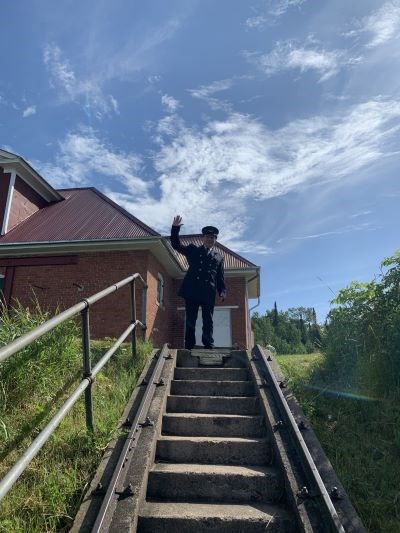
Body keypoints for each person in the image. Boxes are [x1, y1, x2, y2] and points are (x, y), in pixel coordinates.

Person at [171, 215, 227, 350]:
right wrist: (175, 228)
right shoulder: (193, 250)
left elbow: (220, 277)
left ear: (215, 240)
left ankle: (208, 345)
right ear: (203, 238)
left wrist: (223, 291)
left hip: (208, 292)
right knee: (191, 319)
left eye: (212, 237)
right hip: (192, 291)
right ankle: (189, 346)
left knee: (208, 320)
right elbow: (176, 244)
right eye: (208, 237)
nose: (210, 239)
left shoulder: (219, 257)